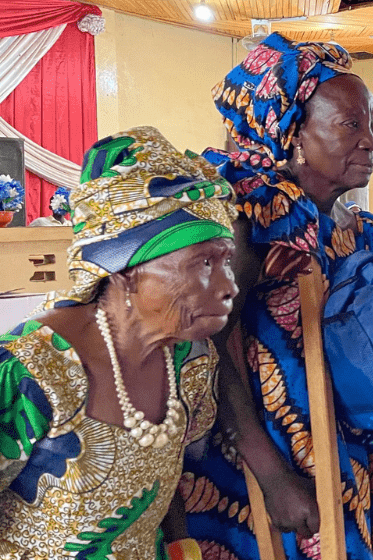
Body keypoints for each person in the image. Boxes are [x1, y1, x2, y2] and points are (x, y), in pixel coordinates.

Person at [180, 34, 373, 560]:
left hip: (349, 449)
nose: (371, 141)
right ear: (293, 132)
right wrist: (272, 476)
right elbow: (210, 351)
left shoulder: (360, 231)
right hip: (264, 458)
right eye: (350, 124)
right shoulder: (253, 221)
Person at [0, 126, 237, 559]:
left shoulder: (191, 361)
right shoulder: (29, 370)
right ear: (126, 268)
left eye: (227, 261)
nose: (228, 286)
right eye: (203, 263)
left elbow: (171, 481)